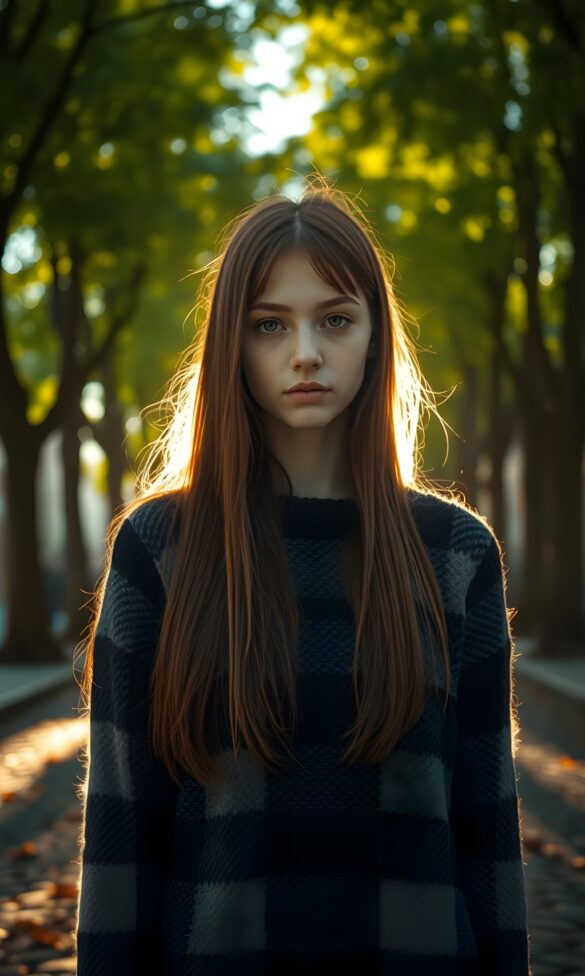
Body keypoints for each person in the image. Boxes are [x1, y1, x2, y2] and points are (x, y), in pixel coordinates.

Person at [74, 175, 531, 975]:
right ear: (231, 344)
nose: (306, 352)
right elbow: (120, 837)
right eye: (269, 325)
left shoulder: (456, 555)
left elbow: (485, 836)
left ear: (373, 337)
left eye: (335, 319)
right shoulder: (160, 550)